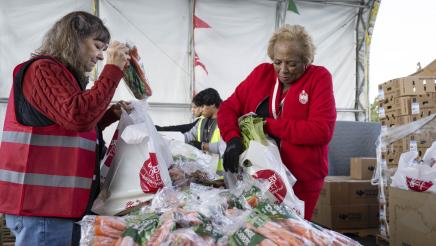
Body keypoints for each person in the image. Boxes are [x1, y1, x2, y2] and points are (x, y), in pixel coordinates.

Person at [0, 11, 131, 245]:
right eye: (98, 46)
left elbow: (64, 127)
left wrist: (109, 115)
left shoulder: (64, 76)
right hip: (42, 210)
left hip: (58, 207)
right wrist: (112, 70)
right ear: (73, 39)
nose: (101, 56)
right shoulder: (42, 69)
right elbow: (77, 116)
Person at [217, 24, 336, 220]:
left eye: (292, 63)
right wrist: (232, 138)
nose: (283, 70)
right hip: (260, 175)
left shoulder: (319, 78)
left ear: (307, 60)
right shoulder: (261, 74)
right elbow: (228, 108)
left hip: (302, 179)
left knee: (292, 233)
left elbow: (320, 130)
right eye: (277, 62)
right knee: (260, 230)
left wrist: (266, 124)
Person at [184, 88, 224, 175]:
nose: (201, 110)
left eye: (203, 106)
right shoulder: (202, 120)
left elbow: (225, 146)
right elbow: (189, 136)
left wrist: (203, 146)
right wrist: (172, 137)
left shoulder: (226, 120)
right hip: (206, 173)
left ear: (213, 104)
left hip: (223, 176)